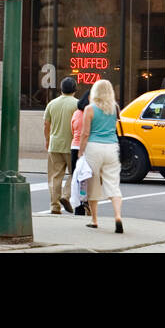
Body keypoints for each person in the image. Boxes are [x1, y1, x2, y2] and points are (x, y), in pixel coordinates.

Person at [79, 79, 124, 234]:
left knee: (93, 185)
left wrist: (80, 152)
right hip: (112, 147)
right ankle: (118, 216)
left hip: (94, 147)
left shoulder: (89, 109)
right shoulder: (115, 108)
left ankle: (94, 220)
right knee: (113, 184)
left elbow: (85, 134)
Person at [44, 77, 78, 215]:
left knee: (55, 176)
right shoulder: (77, 104)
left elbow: (46, 125)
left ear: (61, 89)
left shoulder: (51, 104)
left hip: (55, 144)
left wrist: (47, 140)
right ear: (75, 90)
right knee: (74, 173)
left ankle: (55, 206)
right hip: (71, 145)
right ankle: (66, 195)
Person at [70, 93, 89, 215]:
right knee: (86, 179)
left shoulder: (76, 113)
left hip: (74, 146)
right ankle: (86, 203)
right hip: (86, 148)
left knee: (76, 178)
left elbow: (72, 129)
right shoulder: (90, 114)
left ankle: (78, 208)